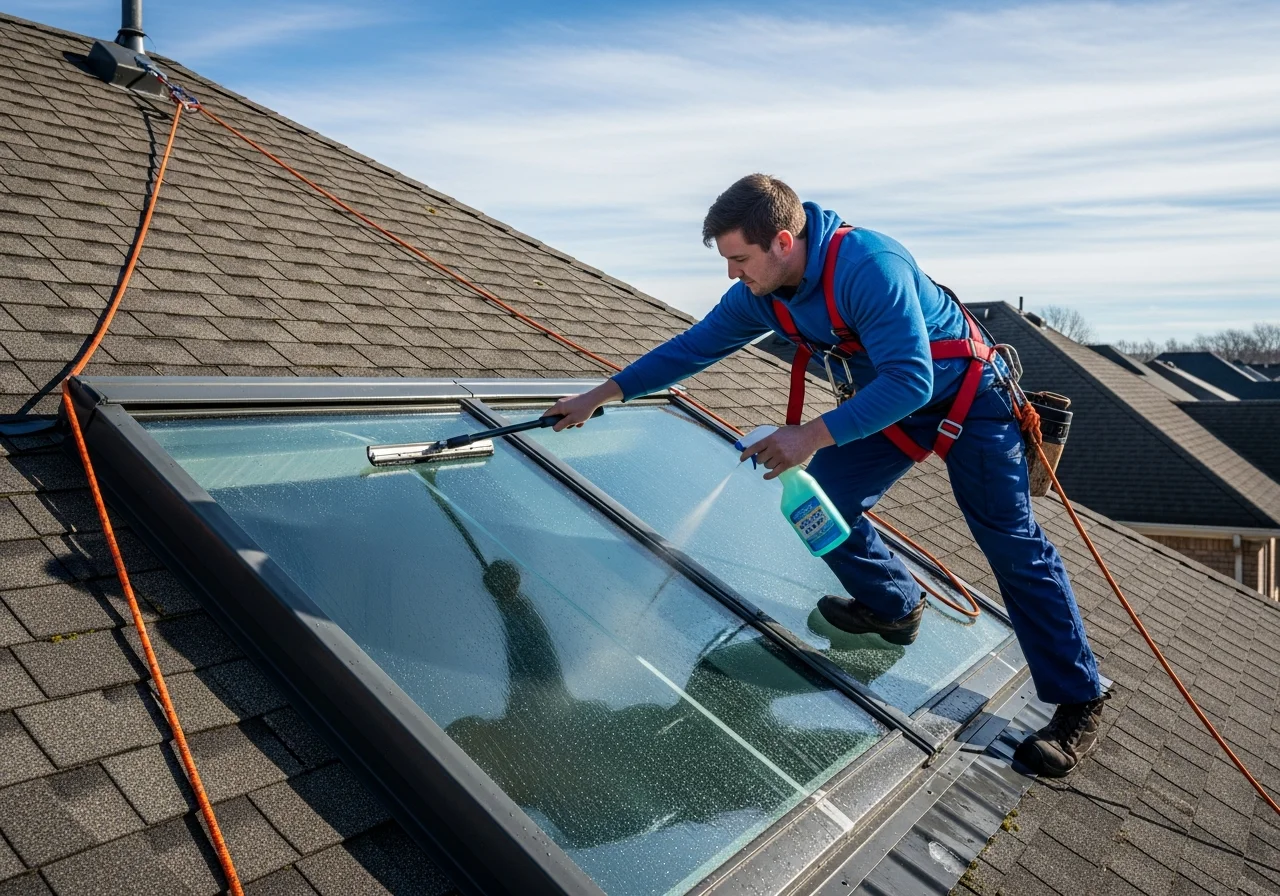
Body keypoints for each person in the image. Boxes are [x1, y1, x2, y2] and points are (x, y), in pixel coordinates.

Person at [545, 174, 1107, 777]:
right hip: (895, 402)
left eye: (739, 259)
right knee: (826, 501)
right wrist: (600, 396)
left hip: (969, 399)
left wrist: (810, 435)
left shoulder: (870, 266)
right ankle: (893, 605)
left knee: (1009, 541)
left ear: (783, 242)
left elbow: (912, 379)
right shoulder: (765, 293)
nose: (733, 274)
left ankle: (1080, 697)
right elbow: (694, 347)